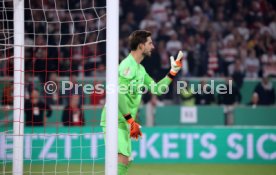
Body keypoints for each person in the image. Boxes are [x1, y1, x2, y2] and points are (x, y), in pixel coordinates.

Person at [100, 30, 183, 175]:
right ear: (140, 46)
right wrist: (130, 120)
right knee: (122, 158)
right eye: (150, 43)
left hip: (124, 121)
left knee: (126, 160)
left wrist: (172, 73)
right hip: (114, 120)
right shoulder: (127, 66)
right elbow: (118, 93)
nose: (153, 46)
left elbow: (157, 89)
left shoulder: (140, 69)